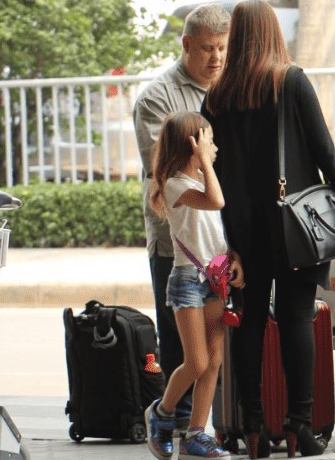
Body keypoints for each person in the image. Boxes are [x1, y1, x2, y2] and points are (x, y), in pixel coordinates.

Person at [201, 0, 335, 458]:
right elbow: (324, 149)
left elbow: (215, 164)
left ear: (239, 35)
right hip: (295, 226)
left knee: (247, 321)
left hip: (243, 226)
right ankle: (297, 427)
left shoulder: (217, 96)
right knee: (295, 318)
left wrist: (233, 235)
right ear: (272, 32)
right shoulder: (290, 80)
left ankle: (250, 428)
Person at [133, 3, 230, 437]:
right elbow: (168, 169)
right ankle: (167, 423)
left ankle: (198, 430)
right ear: (187, 44)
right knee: (182, 351)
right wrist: (208, 160)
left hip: (220, 251)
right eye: (207, 48)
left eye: (223, 49)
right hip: (178, 249)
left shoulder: (229, 88)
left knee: (212, 354)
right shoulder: (158, 97)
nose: (216, 59)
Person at [143, 111, 243, 459]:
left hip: (214, 278)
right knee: (197, 361)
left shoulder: (202, 180)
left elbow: (216, 230)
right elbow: (216, 202)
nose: (214, 148)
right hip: (186, 280)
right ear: (192, 147)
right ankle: (162, 414)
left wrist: (234, 260)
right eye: (208, 141)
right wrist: (204, 161)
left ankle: (197, 435)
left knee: (214, 361)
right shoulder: (175, 185)